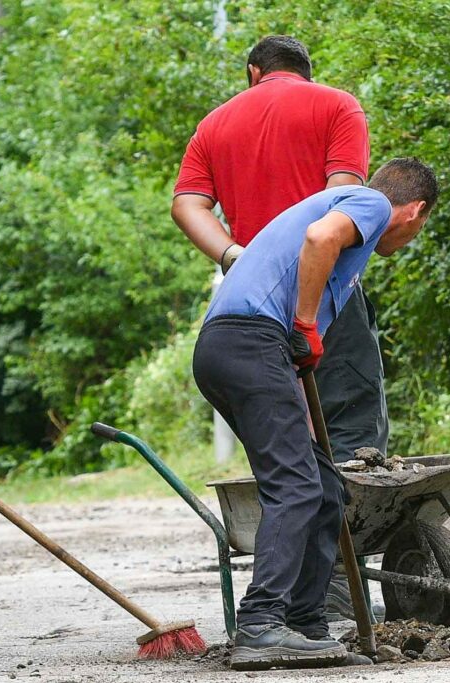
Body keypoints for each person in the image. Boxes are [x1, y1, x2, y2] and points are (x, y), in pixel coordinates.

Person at [190, 159, 438, 670]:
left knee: (325, 488)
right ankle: (260, 625)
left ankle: (305, 625)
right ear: (415, 212)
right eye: (420, 228)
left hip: (236, 348)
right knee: (296, 485)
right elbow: (319, 238)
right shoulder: (367, 203)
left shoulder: (352, 236)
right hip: (250, 341)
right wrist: (305, 325)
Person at [173, 36, 388, 457]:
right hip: (326, 289)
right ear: (306, 71)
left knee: (286, 436)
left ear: (255, 72)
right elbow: (341, 200)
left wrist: (233, 254)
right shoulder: (338, 106)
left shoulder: (213, 124)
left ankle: (298, 511)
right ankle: (354, 516)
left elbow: (186, 205)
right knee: (352, 427)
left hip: (254, 305)